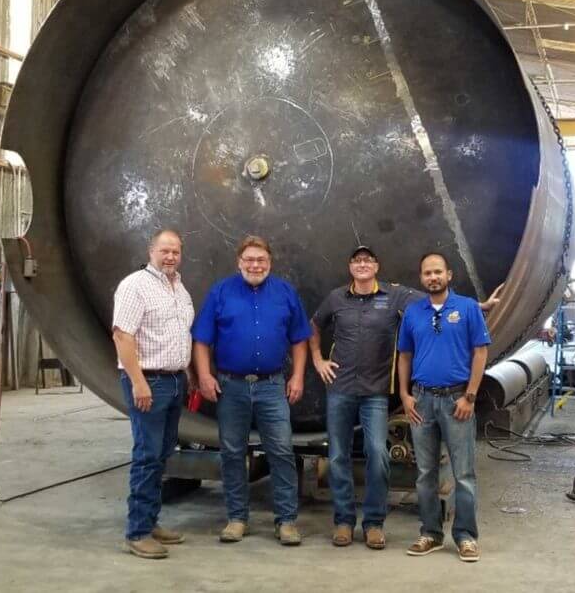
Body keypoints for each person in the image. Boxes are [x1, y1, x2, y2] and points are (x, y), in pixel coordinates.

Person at [310, 246, 500, 550]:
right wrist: (318, 361)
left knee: (384, 456)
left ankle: (379, 524)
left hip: (386, 395)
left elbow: (455, 319)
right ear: (350, 266)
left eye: (368, 260)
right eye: (357, 261)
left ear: (377, 265)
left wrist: (481, 306)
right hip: (348, 391)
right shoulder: (340, 299)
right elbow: (316, 326)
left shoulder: (398, 297)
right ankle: (347, 522)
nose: (362, 265)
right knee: (341, 458)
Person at [192, 235, 311, 546]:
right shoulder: (220, 293)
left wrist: (297, 377)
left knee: (281, 451)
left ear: (269, 263)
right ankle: (236, 518)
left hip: (273, 386)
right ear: (239, 262)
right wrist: (204, 375)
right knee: (232, 452)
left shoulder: (285, 293)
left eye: (261, 260)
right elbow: (202, 340)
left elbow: (300, 339)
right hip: (231, 386)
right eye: (250, 260)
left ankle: (286, 521)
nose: (255, 265)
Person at [397, 252, 490, 563]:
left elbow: (480, 352)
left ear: (449, 275)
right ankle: (430, 533)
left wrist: (470, 396)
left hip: (456, 400)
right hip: (421, 400)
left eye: (438, 271)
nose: (432, 277)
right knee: (425, 473)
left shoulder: (466, 308)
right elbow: (405, 356)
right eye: (427, 273)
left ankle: (465, 537)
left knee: (463, 473)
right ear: (421, 278)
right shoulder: (413, 313)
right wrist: (405, 395)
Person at [112, 229, 195, 560]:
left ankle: (151, 520)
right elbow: (122, 336)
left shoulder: (178, 287)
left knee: (161, 454)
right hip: (149, 382)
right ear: (151, 251)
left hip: (174, 381)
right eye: (165, 251)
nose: (170, 256)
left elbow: (179, 334)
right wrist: (138, 382)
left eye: (175, 251)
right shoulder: (135, 285)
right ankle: (137, 532)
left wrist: (186, 372)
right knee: (147, 456)